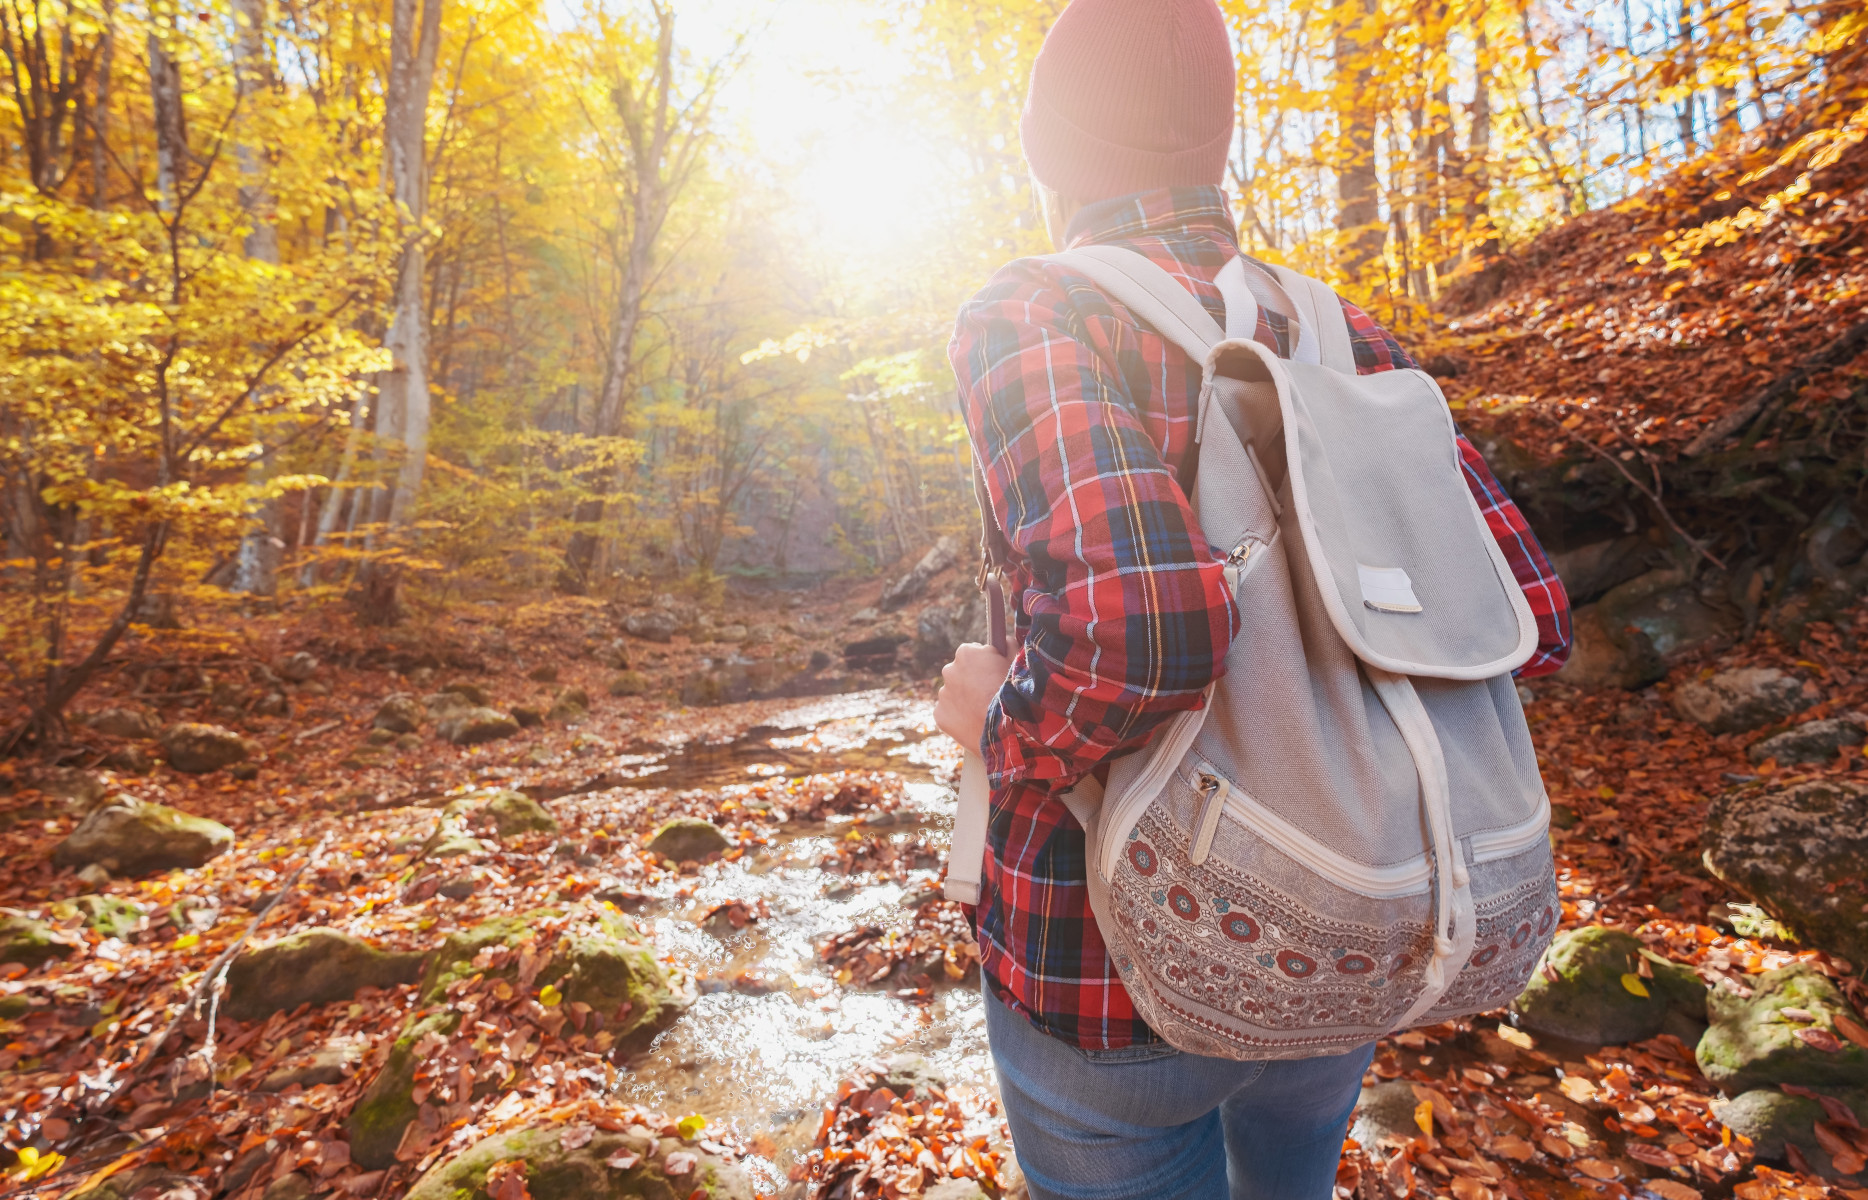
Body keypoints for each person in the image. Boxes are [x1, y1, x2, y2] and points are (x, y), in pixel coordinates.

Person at [929, 1, 1574, 1197]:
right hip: (1338, 920)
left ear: (1049, 150)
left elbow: (1148, 629)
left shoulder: (1033, 308)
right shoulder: (1342, 331)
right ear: (1214, 142)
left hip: (1106, 968)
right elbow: (1528, 611)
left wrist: (995, 729)